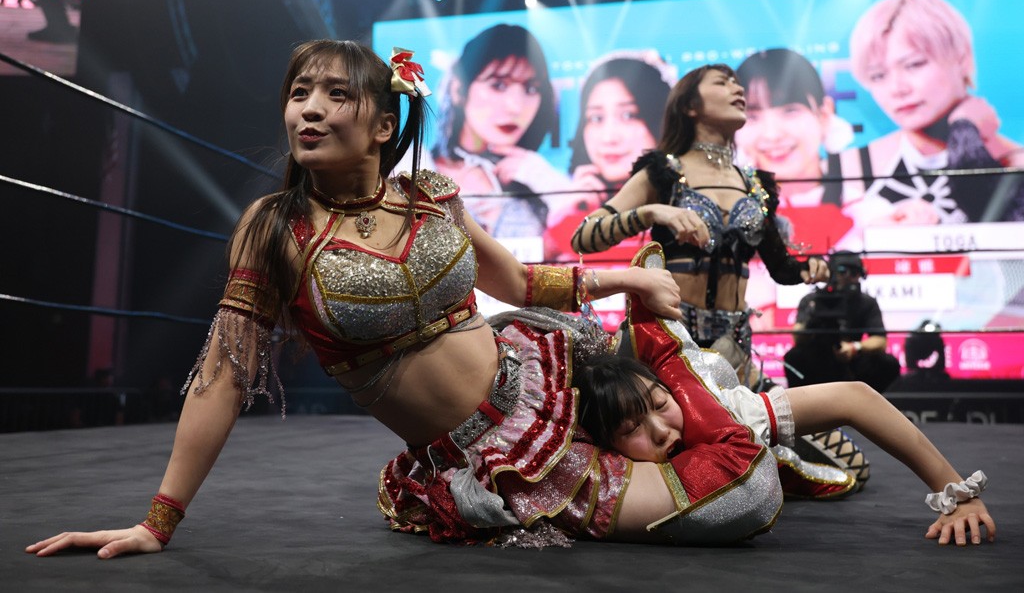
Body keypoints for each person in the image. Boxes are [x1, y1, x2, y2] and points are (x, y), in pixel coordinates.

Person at [27, 40, 788, 559]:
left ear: (384, 124)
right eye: (299, 94)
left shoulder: (430, 195)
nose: (309, 109)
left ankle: (757, 415)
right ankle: (756, 423)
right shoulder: (276, 228)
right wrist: (158, 520)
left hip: (550, 381)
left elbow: (519, 285)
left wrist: (628, 278)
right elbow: (223, 376)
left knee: (719, 407)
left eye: (335, 94)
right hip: (496, 460)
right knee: (740, 497)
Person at [573, 273, 995, 546]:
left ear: (671, 391)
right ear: (606, 441)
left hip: (742, 405)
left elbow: (855, 397)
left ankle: (776, 440)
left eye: (661, 404)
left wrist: (957, 494)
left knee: (854, 468)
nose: (661, 429)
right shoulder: (592, 467)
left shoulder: (718, 409)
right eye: (632, 428)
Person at [570, 62, 829, 364]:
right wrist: (652, 212)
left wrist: (809, 268)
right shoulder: (664, 172)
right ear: (690, 105)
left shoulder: (755, 185)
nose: (738, 89)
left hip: (732, 349)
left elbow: (781, 267)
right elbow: (583, 237)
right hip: (667, 341)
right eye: (722, 82)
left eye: (737, 84)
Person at [848, 0, 1024, 224]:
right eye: (878, 75)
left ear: (962, 58)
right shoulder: (850, 167)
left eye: (914, 64)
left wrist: (965, 132)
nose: (897, 88)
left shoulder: (1013, 160)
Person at [431, 23, 569, 239]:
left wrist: (543, 179)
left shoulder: (538, 175)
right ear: (458, 90)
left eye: (531, 88)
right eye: (498, 85)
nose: (516, 106)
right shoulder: (414, 171)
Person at [545, 51, 673, 261]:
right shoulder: (568, 209)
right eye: (596, 118)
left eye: (629, 115)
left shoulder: (684, 196)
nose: (608, 137)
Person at [733, 48, 862, 255]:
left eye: (790, 111)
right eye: (753, 117)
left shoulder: (868, 215)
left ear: (824, 114)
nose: (772, 135)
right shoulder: (730, 216)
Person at [783, 250, 900, 393]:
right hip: (817, 358)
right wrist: (811, 317)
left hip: (852, 358)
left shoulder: (866, 302)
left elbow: (880, 340)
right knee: (794, 358)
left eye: (854, 273)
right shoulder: (813, 300)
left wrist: (854, 347)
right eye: (842, 271)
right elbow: (797, 337)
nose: (847, 277)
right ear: (832, 272)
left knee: (888, 363)